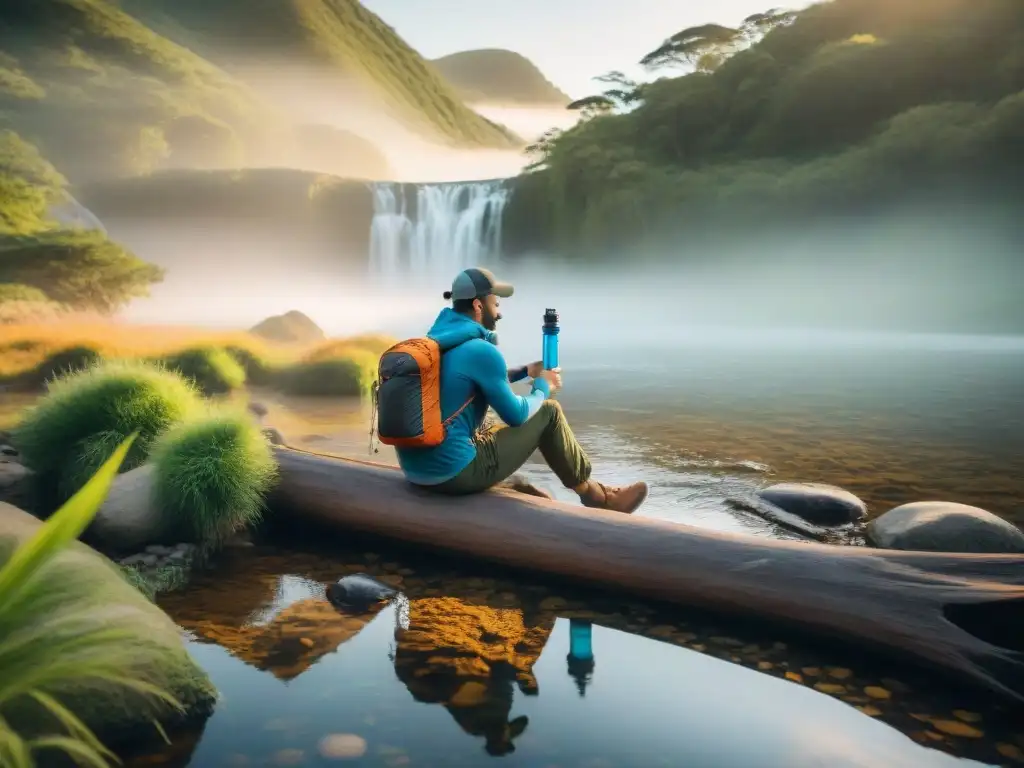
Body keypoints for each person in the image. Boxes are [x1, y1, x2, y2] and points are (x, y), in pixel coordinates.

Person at [394, 267, 649, 513]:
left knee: (488, 427)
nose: (499, 313)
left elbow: (472, 380)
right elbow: (515, 415)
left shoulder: (438, 342)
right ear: (478, 305)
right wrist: (542, 387)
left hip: (416, 470)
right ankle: (596, 495)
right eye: (496, 304)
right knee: (549, 413)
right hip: (452, 474)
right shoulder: (482, 350)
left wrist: (526, 371)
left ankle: (518, 488)